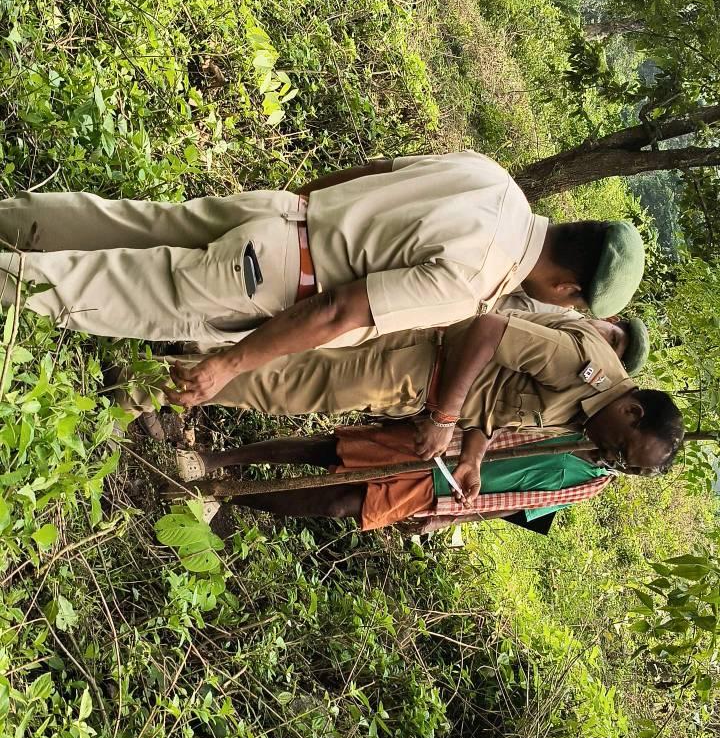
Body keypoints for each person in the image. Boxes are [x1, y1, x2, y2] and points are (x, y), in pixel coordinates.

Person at [0, 152, 645, 426]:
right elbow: (339, 310)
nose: (563, 309)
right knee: (90, 290)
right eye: (573, 306)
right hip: (270, 279)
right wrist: (228, 365)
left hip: (281, 214)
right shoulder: (477, 279)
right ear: (567, 287)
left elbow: (375, 170)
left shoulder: (494, 179)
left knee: (124, 223)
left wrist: (297, 208)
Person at [116, 309, 681, 494]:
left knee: (288, 373)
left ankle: (164, 364)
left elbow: (498, 399)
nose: (609, 459)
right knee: (285, 386)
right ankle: (143, 386)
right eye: (622, 451)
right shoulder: (584, 370)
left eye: (622, 466)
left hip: (420, 385)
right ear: (632, 412)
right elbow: (489, 330)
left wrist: (472, 454)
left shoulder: (590, 411)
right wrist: (444, 417)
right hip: (417, 363)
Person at [174, 426, 617, 532]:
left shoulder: (591, 485)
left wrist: (445, 520)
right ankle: (214, 460)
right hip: (439, 448)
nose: (626, 464)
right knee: (329, 449)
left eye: (637, 469)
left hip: (438, 492)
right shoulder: (574, 422)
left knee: (338, 505)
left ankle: (227, 497)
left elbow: (513, 506)